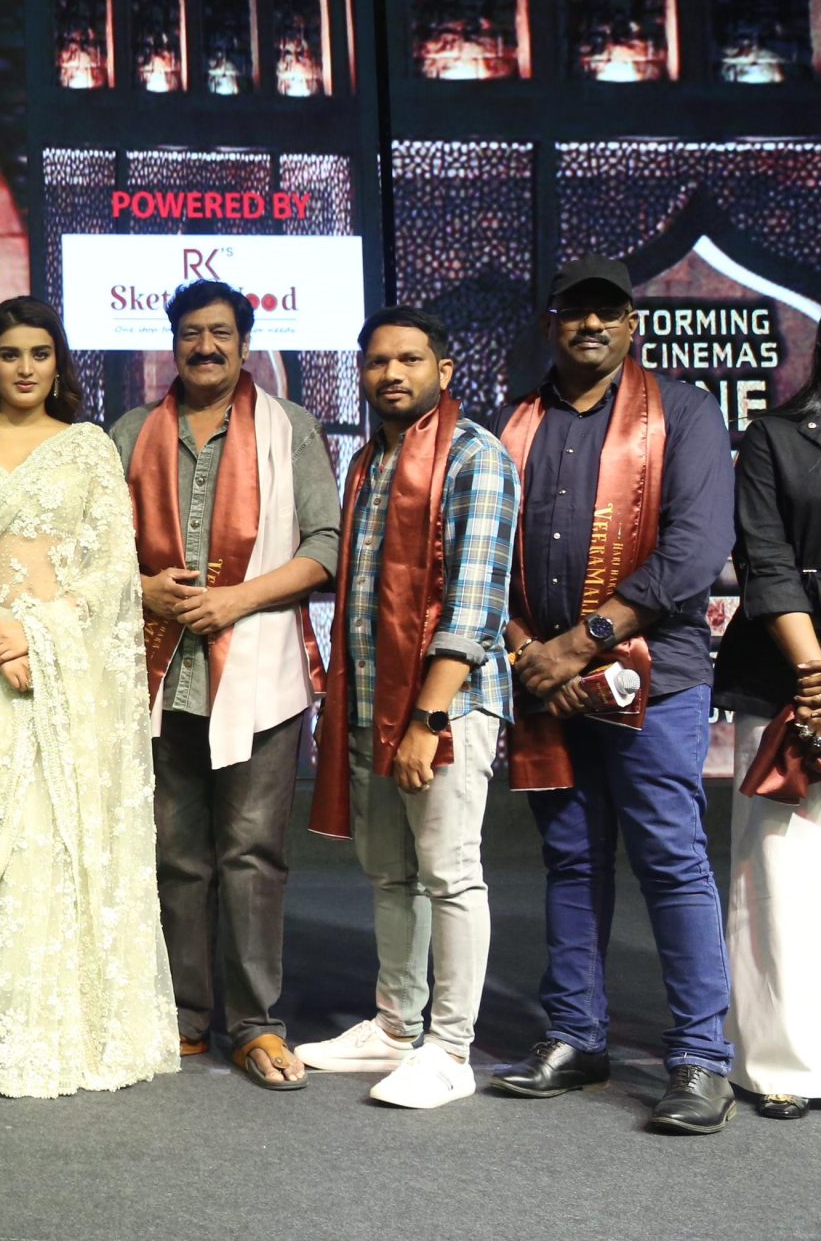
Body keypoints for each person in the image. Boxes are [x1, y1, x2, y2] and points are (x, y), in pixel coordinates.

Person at [485, 257, 740, 1133]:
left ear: (632, 324)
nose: (590, 325)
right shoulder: (518, 419)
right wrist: (531, 650)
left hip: (651, 675)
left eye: (608, 312)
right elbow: (484, 549)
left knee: (670, 860)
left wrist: (580, 642)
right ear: (551, 323)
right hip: (545, 682)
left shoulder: (683, 413)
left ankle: (701, 1059)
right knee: (572, 858)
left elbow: (696, 548)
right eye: (574, 311)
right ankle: (574, 1035)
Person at [0, 296, 177, 1099]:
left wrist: (41, 634)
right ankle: (7, 1014)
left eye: (39, 352)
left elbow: (112, 563)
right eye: (9, 354)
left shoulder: (89, 446)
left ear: (58, 361)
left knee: (59, 837)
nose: (25, 368)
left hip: (70, 663)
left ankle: (55, 1026)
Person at [108, 280, 336, 1092]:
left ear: (245, 343)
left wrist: (237, 599)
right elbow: (92, 551)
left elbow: (325, 545)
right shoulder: (132, 432)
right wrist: (144, 588)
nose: (205, 347)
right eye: (190, 334)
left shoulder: (289, 428)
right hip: (162, 675)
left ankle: (255, 1021)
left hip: (261, 672)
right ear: (173, 342)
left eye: (220, 334)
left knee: (250, 854)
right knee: (176, 854)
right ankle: (182, 1010)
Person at [295, 306, 519, 1111]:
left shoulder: (475, 456)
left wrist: (426, 720)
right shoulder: (369, 461)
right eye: (377, 361)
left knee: (450, 874)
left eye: (410, 359)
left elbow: (474, 607)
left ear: (444, 371)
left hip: (444, 710)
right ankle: (395, 1027)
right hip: (371, 701)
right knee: (391, 872)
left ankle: (450, 1049)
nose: (391, 373)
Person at [715, 267, 821, 1121]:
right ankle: (784, 1064)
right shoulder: (775, 435)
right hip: (788, 680)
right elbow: (766, 560)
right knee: (784, 877)